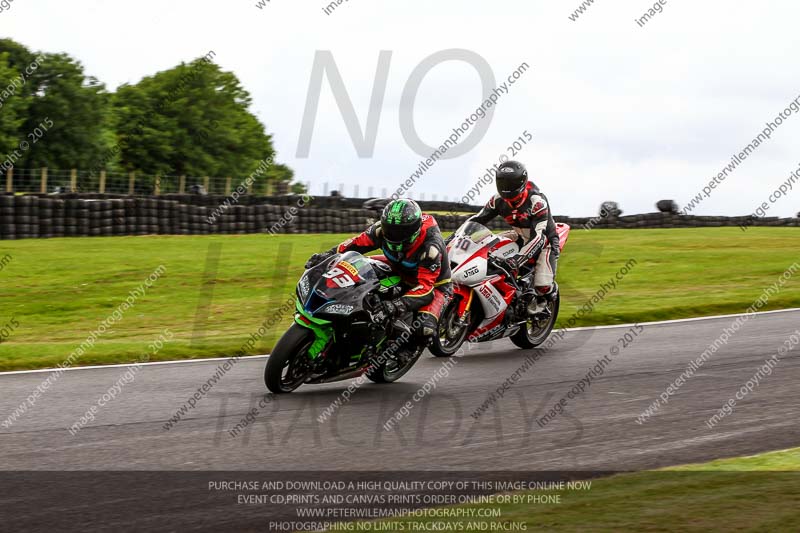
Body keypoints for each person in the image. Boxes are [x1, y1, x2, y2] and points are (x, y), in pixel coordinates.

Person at [305, 198, 452, 353]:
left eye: (400, 232)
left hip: (434, 284)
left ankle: (404, 352)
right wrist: (326, 255)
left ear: (414, 230)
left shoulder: (430, 248)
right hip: (397, 266)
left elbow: (425, 289)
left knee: (424, 330)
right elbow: (354, 244)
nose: (394, 235)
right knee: (354, 268)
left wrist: (396, 305)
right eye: (390, 229)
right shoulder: (379, 230)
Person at [466, 160, 560, 317]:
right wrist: (453, 239)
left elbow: (538, 237)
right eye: (502, 182)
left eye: (511, 183)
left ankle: (549, 294)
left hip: (545, 241)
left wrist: (517, 259)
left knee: (542, 285)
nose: (506, 187)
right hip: (519, 235)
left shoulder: (537, 202)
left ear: (521, 182)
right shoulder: (497, 200)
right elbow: (476, 220)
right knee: (485, 247)